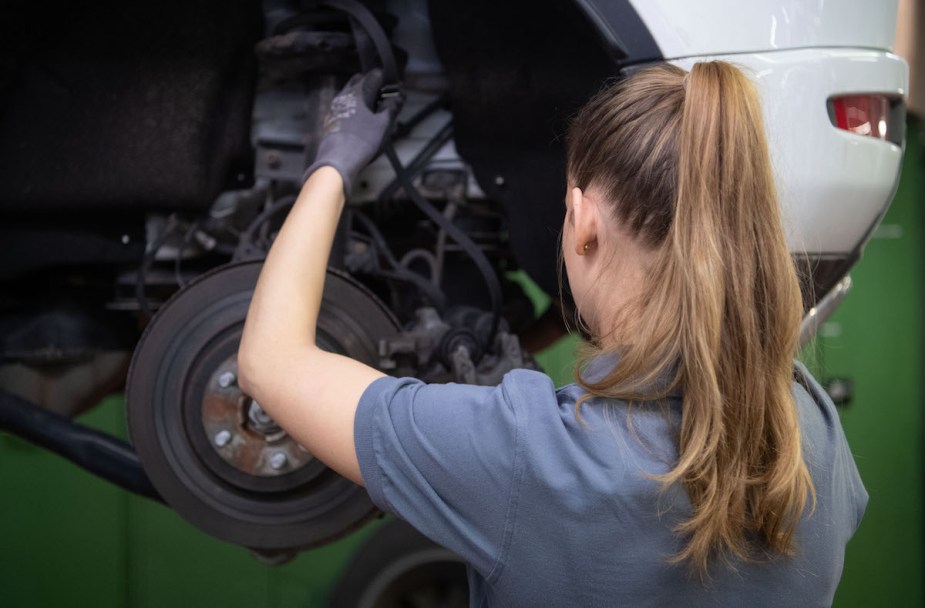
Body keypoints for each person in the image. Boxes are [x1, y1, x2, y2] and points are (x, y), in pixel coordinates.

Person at [238, 62, 867, 606]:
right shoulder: (812, 430)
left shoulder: (530, 460)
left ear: (582, 221)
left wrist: (333, 165)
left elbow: (270, 361)